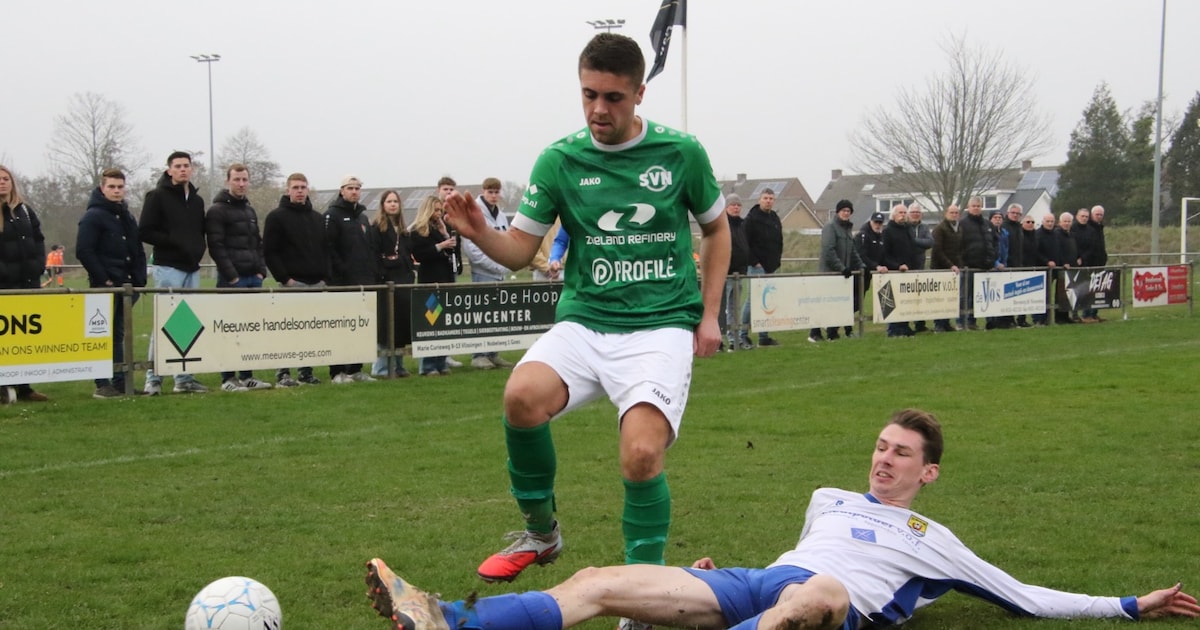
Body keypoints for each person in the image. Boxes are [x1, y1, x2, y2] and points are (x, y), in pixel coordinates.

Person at [364, 408, 1200, 630]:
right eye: (879, 446)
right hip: (766, 586)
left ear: (928, 473)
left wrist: (1129, 605)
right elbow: (795, 557)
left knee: (818, 592)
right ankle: (451, 619)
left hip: (829, 608)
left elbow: (1022, 596)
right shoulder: (828, 499)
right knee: (598, 581)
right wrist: (705, 585)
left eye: (901, 454)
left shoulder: (931, 543)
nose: (883, 459)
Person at [439, 33, 730, 598]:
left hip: (659, 324)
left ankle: (639, 594)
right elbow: (521, 251)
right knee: (521, 397)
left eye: (614, 98)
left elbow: (718, 229)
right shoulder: (559, 159)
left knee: (642, 455)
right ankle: (540, 534)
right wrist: (480, 233)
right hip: (585, 321)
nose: (599, 109)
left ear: (640, 93)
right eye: (589, 94)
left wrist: (710, 314)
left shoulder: (681, 153)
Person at [138, 151, 209, 395]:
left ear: (192, 169)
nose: (182, 169)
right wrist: (173, 241)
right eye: (177, 166)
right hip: (168, 267)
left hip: (191, 268)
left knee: (186, 324)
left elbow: (200, 232)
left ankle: (184, 378)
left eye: (186, 165)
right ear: (169, 170)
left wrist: (197, 249)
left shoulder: (197, 201)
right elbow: (145, 231)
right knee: (164, 323)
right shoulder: (156, 196)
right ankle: (153, 378)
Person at [75, 168, 148, 399]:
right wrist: (103, 278)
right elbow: (84, 251)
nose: (117, 191)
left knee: (119, 336)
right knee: (100, 335)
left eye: (120, 187)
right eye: (112, 187)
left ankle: (120, 382)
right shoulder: (93, 216)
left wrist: (139, 279)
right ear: (102, 188)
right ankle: (101, 383)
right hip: (105, 286)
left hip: (128, 286)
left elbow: (137, 249)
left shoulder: (127, 216)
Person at [205, 163, 273, 392]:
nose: (241, 184)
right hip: (232, 280)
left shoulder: (249, 210)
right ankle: (227, 378)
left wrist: (261, 271)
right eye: (237, 180)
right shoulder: (217, 210)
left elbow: (258, 243)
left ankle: (247, 376)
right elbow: (216, 245)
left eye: (245, 180)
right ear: (228, 181)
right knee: (229, 330)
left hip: (253, 278)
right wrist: (231, 276)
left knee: (250, 330)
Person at [263, 173, 329, 387]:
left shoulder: (318, 218)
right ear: (287, 190)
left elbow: (325, 251)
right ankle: (283, 372)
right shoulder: (276, 217)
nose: (300, 191)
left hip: (316, 284)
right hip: (292, 284)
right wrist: (285, 278)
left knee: (310, 330)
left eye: (303, 187)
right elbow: (270, 252)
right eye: (296, 187)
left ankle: (306, 372)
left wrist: (324, 277)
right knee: (288, 330)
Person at [0, 165, 49, 404]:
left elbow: (38, 240)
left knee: (25, 338)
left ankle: (24, 387)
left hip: (28, 283)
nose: (2, 182)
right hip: (4, 286)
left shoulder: (25, 211)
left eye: (5, 178)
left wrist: (39, 265)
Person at [324, 175, 377, 383]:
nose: (354, 191)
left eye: (357, 188)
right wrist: (341, 270)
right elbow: (329, 248)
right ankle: (337, 371)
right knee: (341, 326)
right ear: (342, 191)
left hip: (363, 282)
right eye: (350, 188)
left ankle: (356, 369)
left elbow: (369, 247)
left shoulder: (363, 217)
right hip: (341, 282)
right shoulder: (332, 215)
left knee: (361, 326)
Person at [461, 177, 515, 370]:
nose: (494, 196)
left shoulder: (500, 214)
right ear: (483, 191)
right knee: (482, 315)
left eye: (497, 192)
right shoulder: (475, 212)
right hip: (483, 272)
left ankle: (493, 353)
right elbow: (472, 250)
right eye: (490, 192)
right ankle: (479, 354)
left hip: (499, 272)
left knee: (496, 315)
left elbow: (506, 239)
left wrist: (505, 263)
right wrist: (497, 266)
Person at [409, 195, 458, 376]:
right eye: (435, 210)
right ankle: (428, 365)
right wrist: (440, 245)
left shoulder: (442, 229)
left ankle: (441, 361)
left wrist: (446, 234)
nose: (438, 214)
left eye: (440, 210)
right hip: (430, 281)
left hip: (446, 280)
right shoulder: (418, 231)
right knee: (432, 322)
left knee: (443, 324)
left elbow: (454, 252)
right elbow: (420, 255)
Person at [369, 189, 415, 378]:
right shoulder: (377, 228)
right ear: (383, 205)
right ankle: (380, 367)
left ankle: (398, 365)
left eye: (396, 201)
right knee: (386, 326)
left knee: (401, 325)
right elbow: (374, 256)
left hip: (403, 283)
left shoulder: (403, 230)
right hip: (386, 283)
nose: (393, 204)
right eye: (389, 201)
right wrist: (386, 267)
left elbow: (407, 256)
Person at [809, 199, 862, 342]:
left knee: (839, 305)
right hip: (828, 274)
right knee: (823, 304)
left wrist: (861, 265)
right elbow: (828, 251)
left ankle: (833, 333)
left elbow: (852, 251)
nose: (846, 213)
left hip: (841, 275)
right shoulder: (830, 227)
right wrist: (841, 268)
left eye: (848, 211)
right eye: (843, 210)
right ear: (838, 212)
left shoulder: (847, 229)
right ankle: (814, 333)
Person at [742, 188, 782, 347]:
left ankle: (763, 337)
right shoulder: (751, 219)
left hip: (771, 266)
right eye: (765, 198)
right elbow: (744, 243)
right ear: (759, 199)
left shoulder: (775, 218)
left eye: (771, 198)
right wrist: (754, 261)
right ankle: (742, 334)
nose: (768, 201)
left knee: (767, 302)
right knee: (752, 301)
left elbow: (779, 241)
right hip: (757, 267)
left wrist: (777, 261)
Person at [434, 177, 465, 369]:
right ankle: (436, 357)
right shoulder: (432, 212)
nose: (448, 192)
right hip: (436, 272)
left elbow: (458, 241)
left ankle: (446, 354)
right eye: (445, 188)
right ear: (438, 190)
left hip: (451, 268)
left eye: (452, 189)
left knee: (448, 312)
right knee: (434, 314)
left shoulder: (455, 213)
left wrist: (459, 262)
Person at [957, 196, 995, 331]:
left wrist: (991, 258)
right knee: (963, 296)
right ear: (969, 207)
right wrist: (962, 262)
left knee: (977, 296)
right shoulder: (962, 224)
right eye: (973, 206)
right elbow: (958, 245)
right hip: (968, 267)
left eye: (978, 206)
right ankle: (961, 321)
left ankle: (972, 321)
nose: (976, 208)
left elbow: (994, 242)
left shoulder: (987, 224)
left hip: (984, 267)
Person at [720, 194, 750, 350]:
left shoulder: (742, 225)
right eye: (733, 205)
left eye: (738, 205)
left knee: (734, 307)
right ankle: (724, 338)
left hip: (739, 273)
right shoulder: (722, 225)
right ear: (726, 207)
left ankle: (735, 339)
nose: (736, 207)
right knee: (724, 307)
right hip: (726, 274)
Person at [880, 204, 914, 338]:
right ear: (893, 215)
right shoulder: (887, 231)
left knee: (905, 301)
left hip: (907, 271)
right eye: (900, 212)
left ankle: (904, 327)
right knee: (891, 301)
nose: (903, 215)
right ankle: (893, 329)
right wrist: (897, 265)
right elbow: (884, 254)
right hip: (893, 272)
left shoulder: (908, 230)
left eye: (905, 212)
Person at [930, 204, 962, 333]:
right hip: (940, 269)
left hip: (953, 270)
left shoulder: (959, 228)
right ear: (946, 213)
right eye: (952, 212)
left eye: (956, 213)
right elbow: (937, 250)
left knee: (950, 297)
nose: (954, 215)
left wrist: (959, 263)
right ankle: (939, 324)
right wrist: (950, 265)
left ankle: (947, 323)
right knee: (939, 298)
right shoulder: (939, 229)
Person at [906, 203, 932, 333]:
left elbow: (929, 242)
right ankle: (905, 324)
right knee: (907, 299)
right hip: (906, 267)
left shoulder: (924, 227)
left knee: (920, 298)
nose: (915, 214)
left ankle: (920, 324)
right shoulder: (905, 227)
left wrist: (915, 241)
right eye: (913, 212)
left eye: (917, 212)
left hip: (920, 266)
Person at [1033, 213, 1061, 326]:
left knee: (1049, 295)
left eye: (1051, 221)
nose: (1050, 224)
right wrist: (1046, 261)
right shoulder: (1038, 234)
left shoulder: (1055, 234)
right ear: (1043, 221)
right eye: (1048, 221)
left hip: (1053, 269)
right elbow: (1036, 251)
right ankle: (1038, 319)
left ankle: (1047, 318)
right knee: (1040, 295)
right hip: (1041, 269)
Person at [1083, 205, 1108, 322]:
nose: (1098, 216)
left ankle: (1094, 313)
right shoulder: (1088, 228)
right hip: (1090, 263)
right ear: (1092, 215)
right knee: (1089, 289)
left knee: (1098, 289)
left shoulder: (1100, 227)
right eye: (1096, 214)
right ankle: (1086, 314)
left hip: (1100, 263)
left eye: (1100, 215)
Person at [854, 212, 888, 298]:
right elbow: (861, 255)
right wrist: (876, 266)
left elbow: (882, 256)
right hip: (857, 274)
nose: (877, 225)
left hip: (868, 275)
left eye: (880, 223)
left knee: (860, 300)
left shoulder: (880, 237)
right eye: (875, 222)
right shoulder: (862, 235)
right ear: (871, 222)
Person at [1055, 212, 1080, 324]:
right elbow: (1058, 250)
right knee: (1060, 293)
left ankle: (1066, 316)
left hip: (1073, 268)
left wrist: (1079, 257)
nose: (1067, 223)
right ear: (1060, 222)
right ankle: (1059, 317)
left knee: (1070, 293)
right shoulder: (1057, 234)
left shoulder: (1072, 235)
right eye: (1064, 221)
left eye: (1069, 221)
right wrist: (1063, 262)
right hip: (1062, 268)